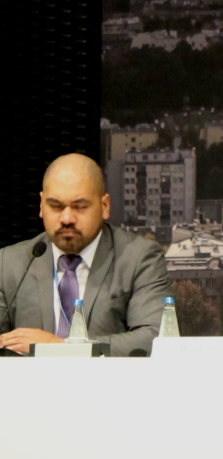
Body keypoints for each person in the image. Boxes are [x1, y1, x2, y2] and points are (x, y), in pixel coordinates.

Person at [0, 153, 171, 357]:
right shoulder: (9, 263)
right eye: (55, 206)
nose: (67, 218)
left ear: (105, 206)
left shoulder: (139, 258)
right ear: (41, 205)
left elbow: (155, 338)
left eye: (80, 207)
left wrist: (59, 348)